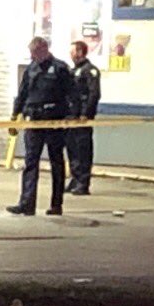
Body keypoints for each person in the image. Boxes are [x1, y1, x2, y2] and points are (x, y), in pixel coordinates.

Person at [8, 37, 73, 217]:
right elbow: (22, 94)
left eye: (35, 53)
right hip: (34, 120)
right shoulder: (31, 69)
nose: (32, 56)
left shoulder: (60, 68)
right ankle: (27, 203)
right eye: (31, 53)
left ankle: (56, 204)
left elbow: (71, 94)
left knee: (56, 162)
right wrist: (15, 116)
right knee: (30, 162)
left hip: (54, 121)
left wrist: (71, 118)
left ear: (44, 49)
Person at [66, 40, 102, 196]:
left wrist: (85, 114)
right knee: (72, 148)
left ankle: (83, 182)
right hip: (71, 116)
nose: (71, 54)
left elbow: (94, 94)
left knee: (83, 150)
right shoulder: (73, 71)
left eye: (73, 51)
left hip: (82, 117)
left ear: (80, 52)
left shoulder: (90, 71)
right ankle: (75, 178)